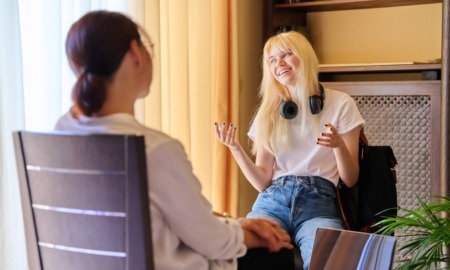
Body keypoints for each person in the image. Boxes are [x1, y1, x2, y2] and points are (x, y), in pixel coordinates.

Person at [55, 10, 294, 270]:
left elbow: (179, 220)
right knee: (279, 251)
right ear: (135, 53)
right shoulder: (155, 149)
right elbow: (214, 242)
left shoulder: (62, 131)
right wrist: (254, 234)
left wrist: (236, 224)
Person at [215, 31, 365, 269]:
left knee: (331, 263)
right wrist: (234, 148)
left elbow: (350, 177)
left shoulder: (341, 103)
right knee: (236, 254)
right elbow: (262, 181)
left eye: (286, 54)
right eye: (272, 60)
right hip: (272, 202)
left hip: (320, 205)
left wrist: (337, 146)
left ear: (304, 57)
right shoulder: (269, 112)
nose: (279, 64)